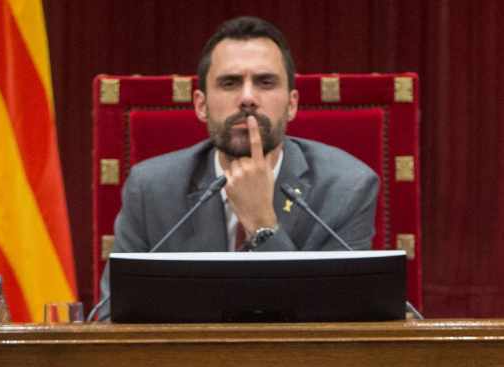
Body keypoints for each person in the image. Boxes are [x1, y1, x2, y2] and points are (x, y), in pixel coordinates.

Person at [98, 16, 379, 315]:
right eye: (229, 83)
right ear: (201, 105)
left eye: (265, 82)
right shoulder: (151, 190)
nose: (247, 98)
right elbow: (112, 315)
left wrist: (263, 224)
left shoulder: (347, 188)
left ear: (292, 104)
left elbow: (345, 323)